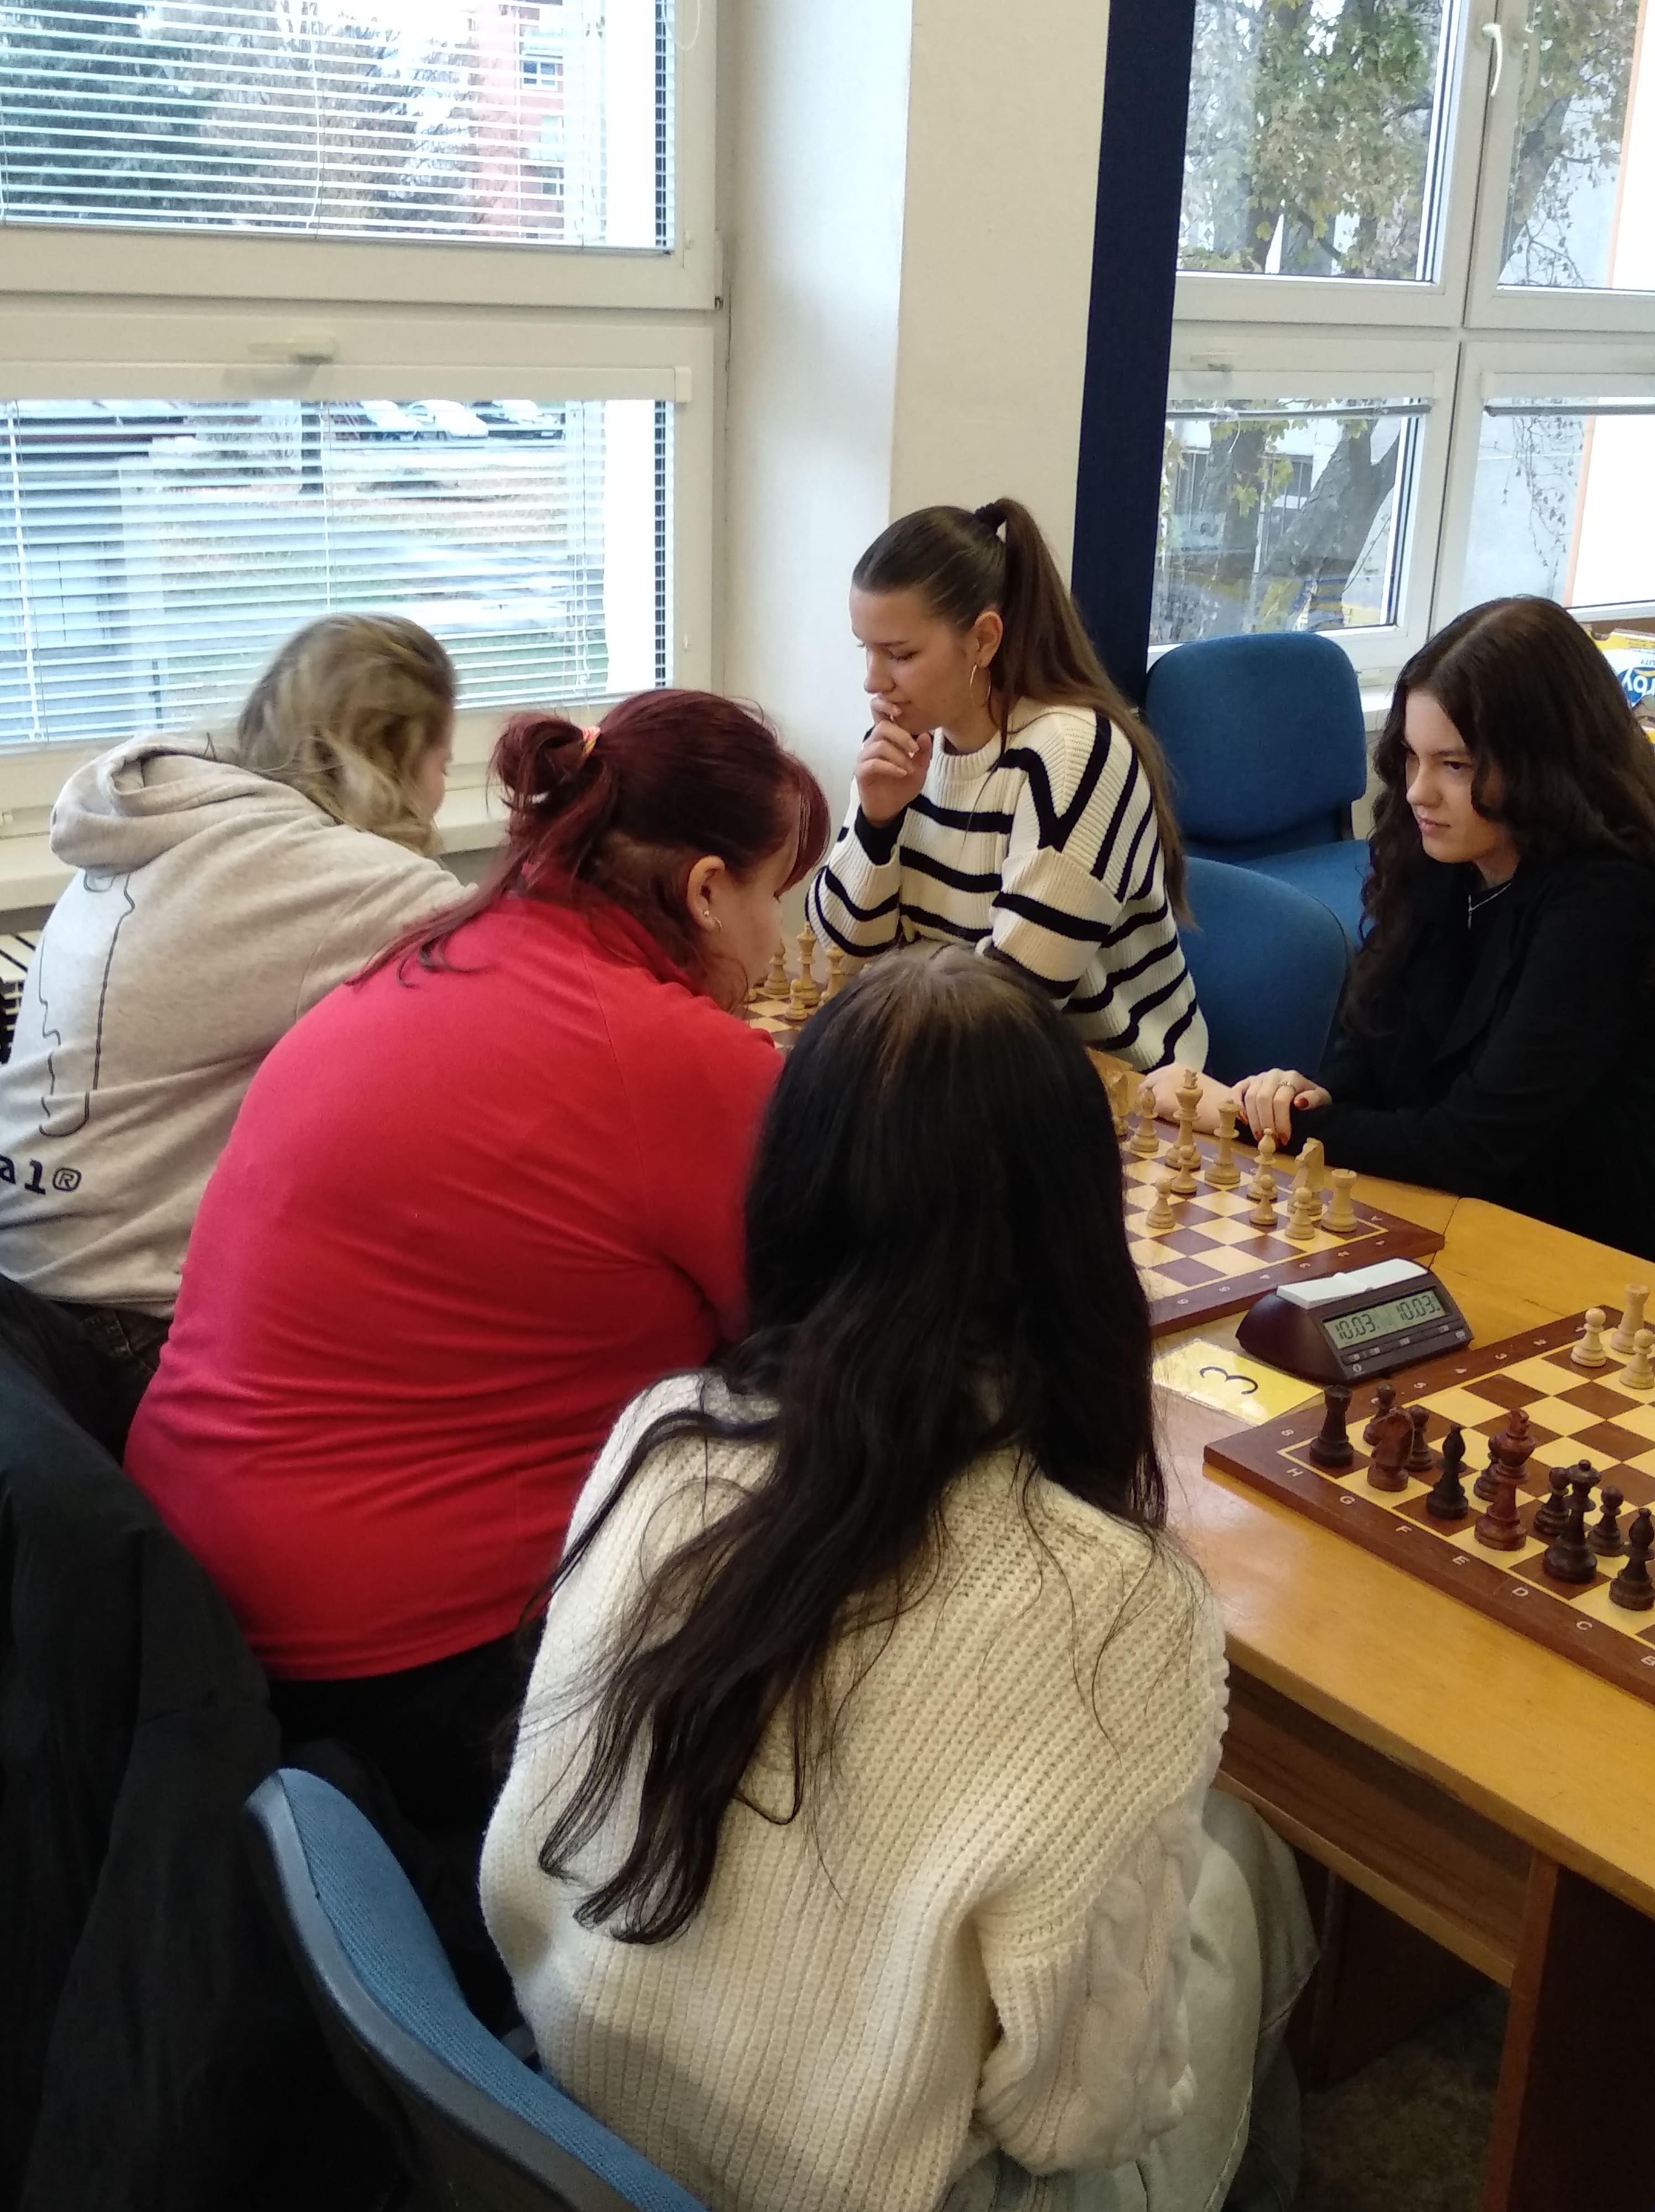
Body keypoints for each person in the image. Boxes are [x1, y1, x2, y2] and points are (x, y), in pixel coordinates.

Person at [481, 949, 1315, 2212]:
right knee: (1249, 1871)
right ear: (1078, 1234)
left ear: (789, 1194)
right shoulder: (1118, 1600)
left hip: (569, 2099)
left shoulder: (667, 1432)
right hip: (856, 2189)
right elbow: (1077, 2116)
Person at [124, 691, 829, 1908]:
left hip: (191, 1602)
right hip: (404, 1671)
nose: (775, 943)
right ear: (709, 890)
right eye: (779, 895)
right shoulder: (674, 1053)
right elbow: (824, 1339)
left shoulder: (416, 961)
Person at [0, 613, 461, 1417]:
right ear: (396, 752)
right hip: (122, 1307)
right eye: (445, 762)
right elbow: (524, 969)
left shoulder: (164, 819)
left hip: (25, 1269)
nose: (445, 790)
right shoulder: (337, 874)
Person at [1230, 596, 1655, 1259]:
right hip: (1445, 1214)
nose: (1418, 792)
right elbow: (1368, 1050)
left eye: (1454, 765)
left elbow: (1471, 1145)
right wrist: (1306, 1097)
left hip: (1573, 1249)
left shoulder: (1607, 900)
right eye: (1411, 756)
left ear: (1544, 763)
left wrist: (1263, 1125)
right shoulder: (1441, 855)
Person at [806, 498, 1209, 1082]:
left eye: (900, 654)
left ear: (984, 640)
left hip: (1113, 1089)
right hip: (952, 1062)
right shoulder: (904, 741)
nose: (873, 680)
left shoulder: (1074, 754)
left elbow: (1012, 1002)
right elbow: (839, 955)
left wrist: (901, 962)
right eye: (864, 649)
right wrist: (876, 824)